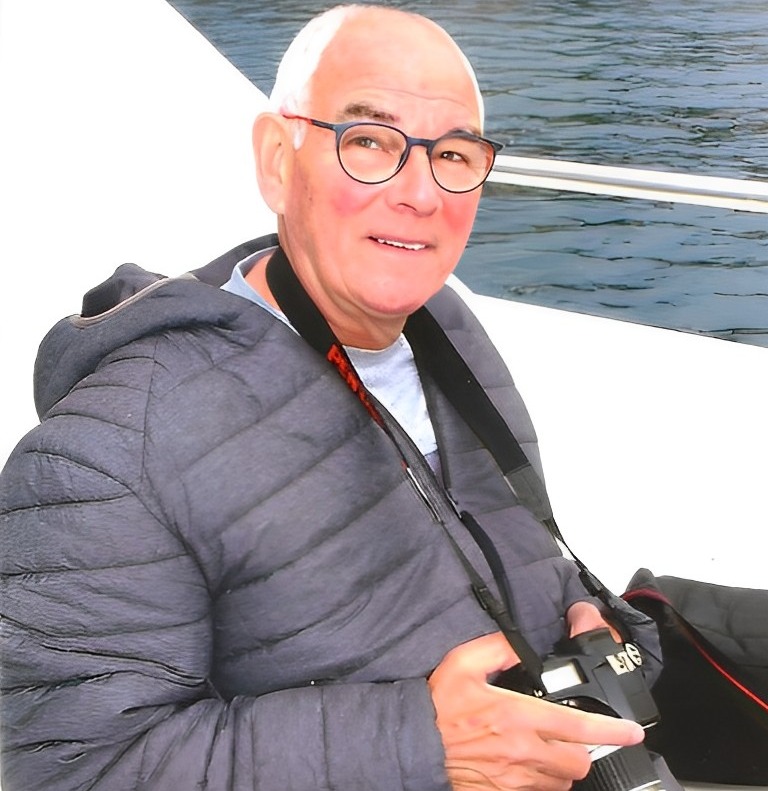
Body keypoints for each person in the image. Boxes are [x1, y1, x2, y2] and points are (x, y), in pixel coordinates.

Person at [0, 5, 672, 790]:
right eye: (370, 142)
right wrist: (419, 743)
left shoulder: (443, 326)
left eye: (453, 155)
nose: (421, 193)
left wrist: (597, 625)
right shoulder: (116, 445)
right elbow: (71, 766)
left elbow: (502, 557)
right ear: (277, 161)